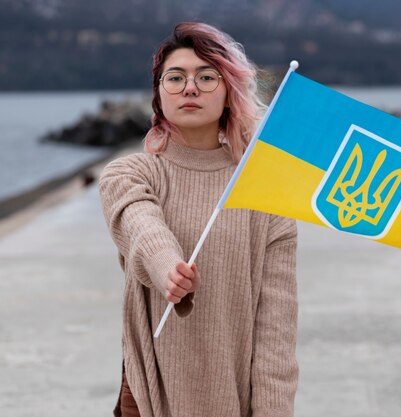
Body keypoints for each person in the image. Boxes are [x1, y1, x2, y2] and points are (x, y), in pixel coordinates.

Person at [99, 22, 298, 417]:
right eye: (175, 78)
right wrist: (168, 268)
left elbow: (276, 333)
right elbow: (141, 225)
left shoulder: (265, 195)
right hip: (148, 396)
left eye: (207, 77)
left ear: (229, 93)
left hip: (232, 399)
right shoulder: (129, 174)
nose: (190, 88)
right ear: (159, 96)